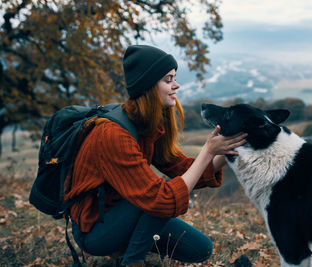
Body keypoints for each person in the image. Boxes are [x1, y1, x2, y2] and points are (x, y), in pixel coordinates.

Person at [65, 45, 247, 267]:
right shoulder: (112, 135)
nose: (176, 85)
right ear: (148, 86)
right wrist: (207, 150)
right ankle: (132, 261)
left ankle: (129, 250)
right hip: (95, 230)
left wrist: (228, 151)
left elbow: (181, 168)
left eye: (174, 78)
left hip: (129, 212)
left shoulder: (147, 124)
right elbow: (162, 199)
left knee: (200, 249)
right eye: (168, 79)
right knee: (160, 196)